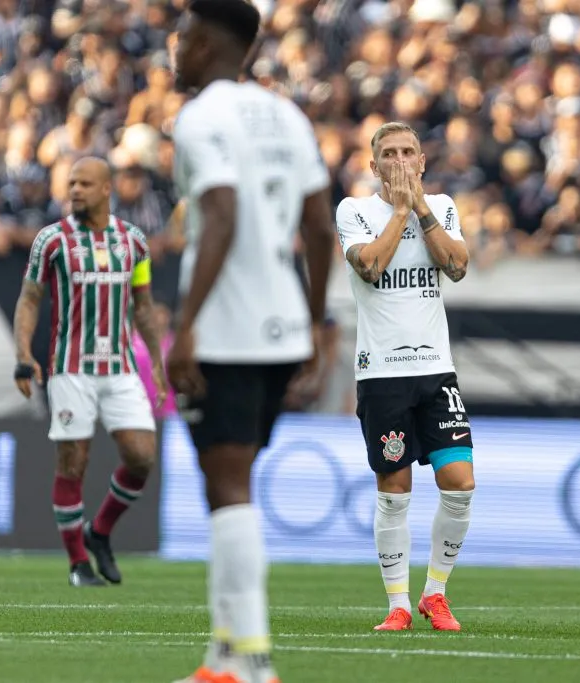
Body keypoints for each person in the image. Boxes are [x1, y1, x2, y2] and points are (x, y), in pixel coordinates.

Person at [164, 1, 334, 682]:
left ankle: (252, 660)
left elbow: (223, 213)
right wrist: (314, 325)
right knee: (228, 482)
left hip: (229, 329)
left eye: (182, 38)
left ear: (205, 45)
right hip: (283, 325)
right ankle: (224, 655)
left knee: (229, 485)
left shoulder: (202, 117)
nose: (175, 51)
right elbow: (320, 228)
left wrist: (186, 324)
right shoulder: (287, 114)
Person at [335, 121, 476, 633]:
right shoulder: (354, 211)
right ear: (374, 167)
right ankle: (397, 603)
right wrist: (398, 210)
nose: (398, 161)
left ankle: (434, 595)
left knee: (459, 484)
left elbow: (457, 265)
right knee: (394, 492)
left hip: (436, 371)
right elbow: (370, 266)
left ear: (421, 161)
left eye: (407, 152)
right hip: (383, 374)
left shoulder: (440, 207)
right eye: (388, 154)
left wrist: (419, 208)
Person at [12, 156, 168, 587]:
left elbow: (143, 306)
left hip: (119, 367)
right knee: (74, 462)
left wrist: (155, 363)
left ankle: (99, 533)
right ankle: (78, 564)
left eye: (84, 183)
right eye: (71, 183)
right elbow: (29, 300)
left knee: (142, 456)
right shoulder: (52, 240)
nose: (75, 189)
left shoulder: (134, 241)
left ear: (106, 189)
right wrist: (24, 354)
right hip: (69, 368)